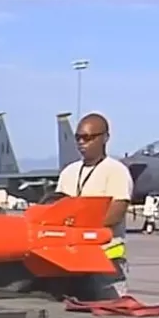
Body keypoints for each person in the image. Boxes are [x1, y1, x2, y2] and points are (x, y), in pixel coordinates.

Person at [54, 112, 133, 297]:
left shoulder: (116, 171)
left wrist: (78, 226)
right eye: (78, 138)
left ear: (105, 138)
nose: (82, 143)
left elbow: (116, 213)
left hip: (105, 262)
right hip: (71, 261)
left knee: (110, 308)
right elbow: (56, 208)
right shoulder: (69, 172)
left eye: (88, 138)